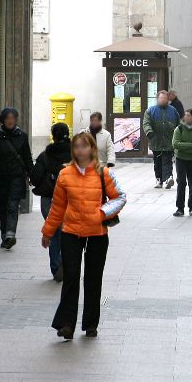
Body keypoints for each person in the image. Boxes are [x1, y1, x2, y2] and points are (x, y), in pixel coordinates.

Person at [42, 132, 127, 339]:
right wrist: (48, 231)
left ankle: (90, 324)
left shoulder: (103, 173)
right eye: (77, 146)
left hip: (97, 232)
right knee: (70, 278)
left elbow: (120, 197)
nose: (80, 150)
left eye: (84, 146)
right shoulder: (65, 174)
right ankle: (67, 324)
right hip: (71, 232)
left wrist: (101, 213)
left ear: (92, 149)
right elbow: (58, 206)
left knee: (93, 278)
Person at [0, 107, 34, 249]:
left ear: (15, 120)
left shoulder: (22, 136)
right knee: (2, 207)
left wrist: (32, 175)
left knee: (12, 205)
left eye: (13, 118)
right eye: (7, 118)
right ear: (3, 120)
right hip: (1, 177)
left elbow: (27, 157)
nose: (10, 121)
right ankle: (5, 236)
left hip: (16, 176)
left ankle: (10, 234)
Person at [32, 122, 73, 281]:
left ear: (53, 136)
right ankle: (67, 263)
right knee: (69, 233)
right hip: (71, 198)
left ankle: (56, 267)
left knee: (53, 232)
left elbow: (35, 178)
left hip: (49, 197)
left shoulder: (45, 155)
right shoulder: (75, 154)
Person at [142, 91, 181, 189]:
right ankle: (159, 179)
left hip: (169, 141)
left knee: (167, 160)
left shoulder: (173, 110)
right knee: (157, 161)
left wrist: (179, 136)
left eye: (165, 98)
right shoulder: (150, 111)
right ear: (157, 99)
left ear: (168, 99)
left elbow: (178, 124)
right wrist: (149, 132)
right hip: (156, 141)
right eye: (161, 98)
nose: (163, 100)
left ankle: (168, 178)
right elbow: (146, 123)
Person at [172, 109, 192, 217]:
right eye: (185, 115)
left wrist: (185, 146)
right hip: (181, 159)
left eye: (188, 115)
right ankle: (180, 208)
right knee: (181, 183)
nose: (186, 117)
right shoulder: (179, 128)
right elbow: (176, 144)